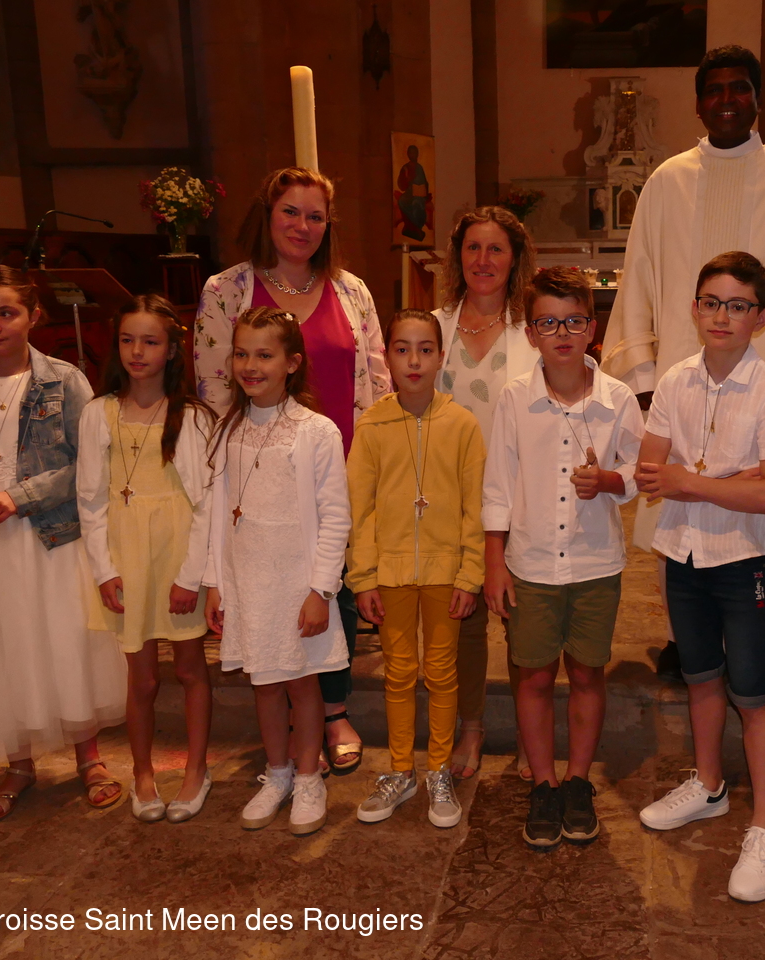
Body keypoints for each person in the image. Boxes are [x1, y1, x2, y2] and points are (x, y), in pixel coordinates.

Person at [600, 44, 765, 680]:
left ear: (758, 99)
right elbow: (639, 279)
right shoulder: (667, 181)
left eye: (740, 88)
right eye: (715, 89)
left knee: (748, 510)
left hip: (762, 389)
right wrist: (647, 380)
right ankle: (685, 637)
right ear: (699, 102)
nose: (728, 100)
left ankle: (746, 633)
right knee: (675, 507)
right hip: (679, 386)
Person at [195, 166, 389, 774]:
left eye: (314, 216)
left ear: (328, 225)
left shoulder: (352, 292)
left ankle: (333, 712)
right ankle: (284, 713)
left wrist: (374, 463)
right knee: (270, 586)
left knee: (333, 588)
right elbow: (212, 388)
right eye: (290, 212)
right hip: (259, 471)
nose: (302, 226)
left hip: (340, 460)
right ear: (267, 215)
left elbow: (377, 381)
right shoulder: (226, 290)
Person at [0, 266, 125, 822]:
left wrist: (20, 495)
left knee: (61, 638)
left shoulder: (65, 381)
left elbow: (89, 462)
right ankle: (19, 763)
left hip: (46, 535)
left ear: (34, 316)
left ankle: (89, 757)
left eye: (6, 313)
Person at [634, 252, 765, 902]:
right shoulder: (675, 380)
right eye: (710, 302)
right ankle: (708, 785)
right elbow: (650, 472)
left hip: (742, 560)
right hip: (683, 553)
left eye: (737, 305)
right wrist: (732, 480)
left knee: (752, 694)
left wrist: (692, 481)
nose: (721, 316)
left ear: (760, 316)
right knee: (700, 676)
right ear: (695, 308)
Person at [482, 267, 644, 849]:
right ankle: (543, 783)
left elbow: (639, 470)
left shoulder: (618, 399)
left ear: (592, 328)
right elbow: (498, 485)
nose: (562, 334)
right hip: (531, 563)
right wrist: (495, 562)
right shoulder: (514, 398)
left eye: (573, 321)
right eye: (548, 323)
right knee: (532, 673)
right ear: (531, 333)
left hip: (595, 563)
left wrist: (609, 480)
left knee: (586, 671)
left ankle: (577, 781)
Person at [203, 307, 350, 837]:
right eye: (242, 353)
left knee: (302, 683)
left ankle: (309, 777)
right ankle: (279, 773)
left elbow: (335, 516)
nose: (250, 365)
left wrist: (320, 590)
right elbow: (217, 513)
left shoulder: (315, 431)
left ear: (292, 363)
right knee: (264, 684)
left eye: (264, 355)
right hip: (248, 580)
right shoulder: (227, 430)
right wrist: (216, 583)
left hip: (296, 582)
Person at [77, 295, 217, 823]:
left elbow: (204, 503)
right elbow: (90, 500)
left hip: (177, 556)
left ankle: (196, 770)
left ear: (171, 350)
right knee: (141, 680)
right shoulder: (99, 413)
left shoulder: (191, 416)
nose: (137, 352)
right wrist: (104, 570)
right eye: (127, 340)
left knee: (189, 669)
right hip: (127, 557)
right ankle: (142, 773)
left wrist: (191, 576)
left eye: (151, 341)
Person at [348, 310, 485, 828]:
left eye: (425, 350)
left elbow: (475, 507)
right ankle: (401, 769)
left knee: (443, 672)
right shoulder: (372, 425)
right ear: (387, 357)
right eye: (402, 349)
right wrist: (363, 577)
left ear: (441, 357)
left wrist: (470, 574)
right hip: (391, 572)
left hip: (446, 572)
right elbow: (359, 509)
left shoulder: (463, 425)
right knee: (399, 672)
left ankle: (438, 770)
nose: (414, 361)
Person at [433, 206, 540, 781]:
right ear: (458, 257)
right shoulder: (435, 327)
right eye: (472, 247)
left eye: (496, 248)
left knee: (523, 624)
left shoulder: (534, 332)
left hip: (519, 498)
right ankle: (470, 729)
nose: (483, 260)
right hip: (450, 500)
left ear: (515, 259)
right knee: (464, 623)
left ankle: (530, 734)